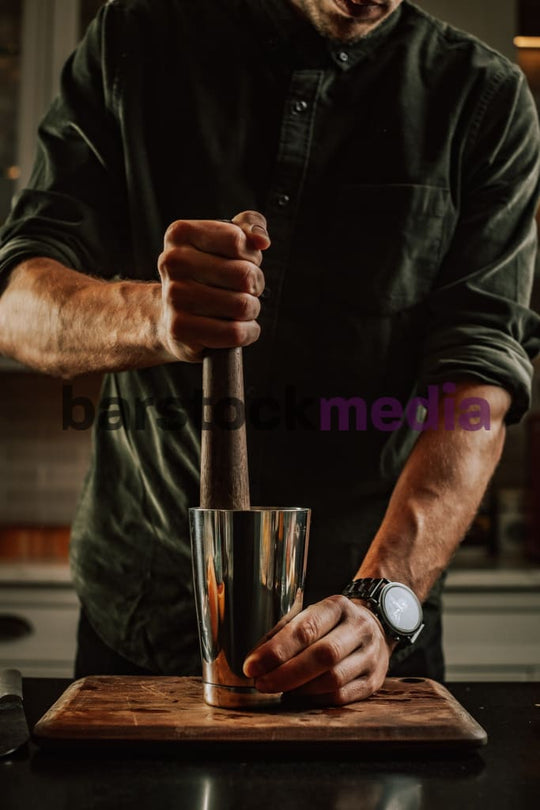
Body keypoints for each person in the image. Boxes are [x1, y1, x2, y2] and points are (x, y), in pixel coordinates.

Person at [0, 0, 538, 705]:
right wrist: (157, 317)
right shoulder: (135, 39)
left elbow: (477, 387)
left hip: (363, 639)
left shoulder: (485, 98)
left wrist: (383, 602)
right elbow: (18, 310)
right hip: (139, 626)